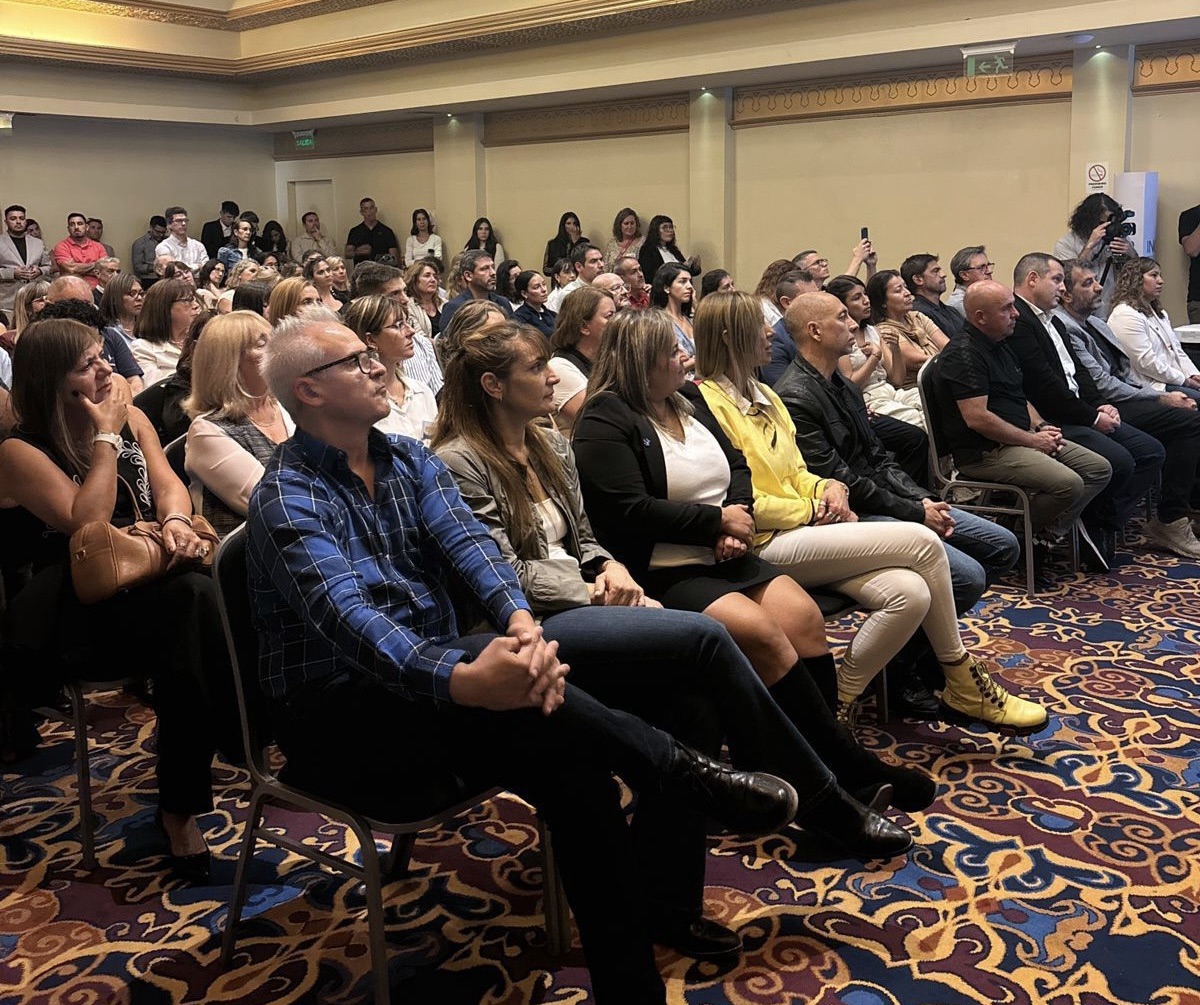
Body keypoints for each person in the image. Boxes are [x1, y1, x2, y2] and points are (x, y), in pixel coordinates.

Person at [246, 312, 819, 1004]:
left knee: (638, 731)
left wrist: (521, 624)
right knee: (535, 704)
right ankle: (685, 774)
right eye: (356, 360)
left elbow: (472, 547)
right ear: (309, 391)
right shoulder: (285, 497)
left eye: (373, 354)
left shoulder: (405, 458)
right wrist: (465, 679)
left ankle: (644, 955)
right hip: (343, 717)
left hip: (440, 681)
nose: (378, 366)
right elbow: (353, 624)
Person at [433, 317, 930, 826]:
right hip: (544, 612)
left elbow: (586, 535)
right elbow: (508, 571)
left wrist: (610, 566)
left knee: (797, 623)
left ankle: (812, 775)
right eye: (538, 368)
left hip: (638, 576)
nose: (555, 376)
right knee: (720, 638)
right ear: (494, 385)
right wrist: (603, 583)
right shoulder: (463, 461)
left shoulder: (551, 444)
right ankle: (829, 793)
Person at [693, 290, 1046, 730]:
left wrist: (829, 488)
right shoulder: (712, 405)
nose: (771, 331)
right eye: (758, 325)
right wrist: (817, 504)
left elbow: (804, 470)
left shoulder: (765, 393)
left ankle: (839, 698)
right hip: (770, 539)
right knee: (923, 543)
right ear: (730, 337)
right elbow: (745, 501)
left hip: (814, 522)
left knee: (911, 593)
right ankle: (959, 674)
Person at [0, 317, 230, 882]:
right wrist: (105, 436)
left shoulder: (132, 416)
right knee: (197, 606)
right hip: (73, 610)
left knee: (210, 598)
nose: (107, 369)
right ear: (52, 381)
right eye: (88, 365)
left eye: (103, 355)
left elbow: (167, 482)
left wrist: (175, 521)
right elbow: (87, 524)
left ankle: (190, 787)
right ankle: (202, 783)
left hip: (151, 581)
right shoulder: (18, 450)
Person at [773, 291, 1022, 616]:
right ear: (815, 331)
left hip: (883, 499)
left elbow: (878, 458)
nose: (853, 325)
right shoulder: (795, 397)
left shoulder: (842, 385)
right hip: (852, 512)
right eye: (842, 317)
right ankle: (916, 638)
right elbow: (842, 481)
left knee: (1004, 545)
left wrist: (922, 499)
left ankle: (922, 628)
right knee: (967, 577)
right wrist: (915, 512)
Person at [926, 281, 1113, 547]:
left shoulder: (1000, 343)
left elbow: (1018, 396)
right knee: (1069, 484)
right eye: (1006, 309)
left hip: (1019, 437)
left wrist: (1041, 426)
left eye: (1013, 306)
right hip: (986, 451)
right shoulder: (963, 355)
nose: (1015, 314)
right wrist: (1033, 441)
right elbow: (978, 419)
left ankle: (1044, 534)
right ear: (981, 317)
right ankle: (1017, 536)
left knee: (1099, 469)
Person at [1008, 252, 1163, 567]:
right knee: (1120, 461)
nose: (1062, 288)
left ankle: (1100, 521)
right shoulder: (1019, 322)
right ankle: (1080, 526)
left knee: (1150, 451)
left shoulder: (1052, 320)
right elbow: (1044, 387)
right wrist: (1092, 417)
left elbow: (1079, 373)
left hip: (1078, 408)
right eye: (1056, 280)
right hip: (1049, 418)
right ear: (1032, 280)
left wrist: (1100, 404)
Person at [1056, 258, 1200, 560]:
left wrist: (1160, 393)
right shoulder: (1066, 328)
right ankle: (1169, 518)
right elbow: (1103, 384)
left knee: (1188, 412)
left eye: (1097, 281)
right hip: (1105, 404)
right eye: (1088, 283)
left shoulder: (1095, 323)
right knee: (1189, 420)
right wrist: (1159, 397)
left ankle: (1183, 508)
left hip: (1126, 397)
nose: (1099, 288)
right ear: (1066, 294)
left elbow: (1126, 372)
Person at [184, 310, 292, 537]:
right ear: (230, 363)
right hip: (264, 548)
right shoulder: (207, 431)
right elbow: (275, 506)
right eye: (263, 344)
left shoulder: (288, 404)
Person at [828, 274, 925, 430]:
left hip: (891, 391)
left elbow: (897, 379)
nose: (866, 301)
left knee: (936, 401)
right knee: (919, 421)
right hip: (869, 401)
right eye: (857, 298)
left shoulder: (872, 330)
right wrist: (874, 357)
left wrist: (895, 348)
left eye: (865, 294)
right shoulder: (841, 338)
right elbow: (851, 386)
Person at [341, 298, 436, 442]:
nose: (411, 331)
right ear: (371, 340)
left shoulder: (422, 392)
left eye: (407, 323)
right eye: (398, 326)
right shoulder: (359, 404)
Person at [1106, 256, 1200, 397]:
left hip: (1173, 378)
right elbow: (1146, 363)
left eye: (1160, 275)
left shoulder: (1159, 313)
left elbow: (1177, 351)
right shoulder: (1125, 314)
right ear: (1136, 280)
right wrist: (1185, 380)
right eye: (1154, 275)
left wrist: (1194, 375)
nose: (1161, 281)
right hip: (1151, 385)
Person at [1053, 193, 1135, 315]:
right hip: (1079, 312)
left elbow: (1136, 275)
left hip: (1111, 309)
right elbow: (1068, 279)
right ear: (1088, 221)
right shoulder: (1066, 244)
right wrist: (1089, 247)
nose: (1106, 227)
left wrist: (1132, 254)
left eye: (1110, 222)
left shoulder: (1117, 237)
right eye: (1102, 223)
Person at [548, 287, 615, 434]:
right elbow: (602, 420)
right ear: (584, 327)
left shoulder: (606, 359)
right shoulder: (559, 368)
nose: (617, 323)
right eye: (610, 316)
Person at [868, 269, 949, 391]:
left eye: (905, 287)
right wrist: (949, 359)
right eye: (898, 290)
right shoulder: (884, 330)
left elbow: (947, 345)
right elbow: (916, 360)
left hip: (942, 378)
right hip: (917, 390)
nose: (907, 293)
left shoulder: (917, 316)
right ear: (883, 302)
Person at [131, 279, 200, 385]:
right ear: (164, 307)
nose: (195, 305)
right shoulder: (143, 348)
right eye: (188, 300)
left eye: (194, 299)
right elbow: (157, 389)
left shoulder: (201, 338)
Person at [439, 250, 514, 328]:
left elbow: (512, 331)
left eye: (493, 267)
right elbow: (448, 335)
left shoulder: (502, 302)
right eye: (485, 269)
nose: (493, 273)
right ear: (468, 276)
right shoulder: (455, 307)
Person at [1, 204, 53, 316]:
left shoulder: (38, 243)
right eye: (13, 219)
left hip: (35, 300)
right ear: (6, 222)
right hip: (9, 301)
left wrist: (39, 271)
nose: (18, 222)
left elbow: (48, 266)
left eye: (21, 218)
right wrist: (12, 273)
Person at [903, 254, 965, 338]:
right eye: (935, 271)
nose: (943, 274)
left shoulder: (951, 311)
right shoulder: (918, 315)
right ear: (918, 280)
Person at [649, 262, 697, 370]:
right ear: (666, 288)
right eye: (682, 281)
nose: (689, 286)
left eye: (690, 282)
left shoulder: (689, 318)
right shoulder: (659, 322)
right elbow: (665, 367)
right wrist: (698, 360)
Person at [53, 213, 108, 289]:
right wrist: (97, 265)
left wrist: (78, 268)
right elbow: (72, 269)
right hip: (72, 289)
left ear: (86, 227)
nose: (76, 227)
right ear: (68, 228)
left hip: (97, 289)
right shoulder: (61, 246)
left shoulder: (98, 246)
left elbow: (105, 268)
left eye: (80, 224)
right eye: (72, 224)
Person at [547, 243, 606, 313]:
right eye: (593, 261)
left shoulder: (606, 286)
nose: (601, 265)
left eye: (601, 260)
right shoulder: (570, 294)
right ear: (579, 267)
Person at [638, 215, 700, 281]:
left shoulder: (674, 250)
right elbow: (649, 275)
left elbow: (687, 272)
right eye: (665, 227)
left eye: (671, 227)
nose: (670, 230)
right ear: (656, 230)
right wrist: (677, 270)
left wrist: (694, 267)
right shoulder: (647, 250)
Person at [346, 198, 400, 266]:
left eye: (371, 208)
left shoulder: (387, 231)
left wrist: (384, 260)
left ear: (376, 210)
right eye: (366, 209)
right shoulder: (355, 231)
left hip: (382, 270)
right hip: (362, 270)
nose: (369, 212)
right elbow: (347, 254)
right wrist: (358, 252)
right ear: (361, 212)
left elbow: (394, 258)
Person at [403, 258, 448, 341]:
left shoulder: (444, 303)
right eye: (427, 276)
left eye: (435, 276)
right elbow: (419, 337)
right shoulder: (408, 307)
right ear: (414, 280)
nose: (433, 280)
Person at [154, 207, 208, 274]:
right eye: (179, 221)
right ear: (169, 225)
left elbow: (206, 268)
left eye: (185, 220)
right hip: (175, 280)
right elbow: (172, 271)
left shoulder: (198, 245)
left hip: (198, 280)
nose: (183, 223)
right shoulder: (163, 247)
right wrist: (197, 266)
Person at [98, 272, 145, 345]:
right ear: (115, 298)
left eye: (141, 293)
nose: (139, 298)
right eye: (132, 293)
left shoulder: (148, 327)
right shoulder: (106, 331)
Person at [947, 246, 994, 317]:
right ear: (964, 275)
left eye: (988, 266)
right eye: (981, 268)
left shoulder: (984, 296)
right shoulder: (960, 304)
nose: (989, 271)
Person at [512, 268, 556, 338]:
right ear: (524, 293)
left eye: (544, 284)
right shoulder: (518, 319)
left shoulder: (553, 315)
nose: (544, 289)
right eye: (536, 287)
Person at [131, 215, 168, 288]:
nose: (161, 235)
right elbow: (138, 267)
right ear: (151, 228)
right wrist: (156, 267)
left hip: (167, 278)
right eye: (158, 232)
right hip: (149, 279)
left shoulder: (168, 241)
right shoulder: (140, 243)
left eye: (163, 232)